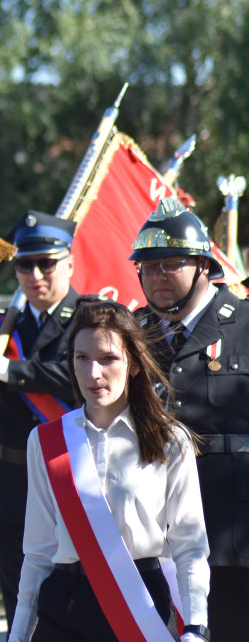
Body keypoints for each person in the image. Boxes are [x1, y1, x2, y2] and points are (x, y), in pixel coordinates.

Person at [11, 300, 210, 642]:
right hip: (63, 605)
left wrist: (195, 627)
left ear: (132, 363)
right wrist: (18, 634)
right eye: (82, 358)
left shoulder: (169, 439)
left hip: (139, 602)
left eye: (108, 359)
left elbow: (189, 545)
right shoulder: (45, 441)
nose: (93, 374)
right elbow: (38, 551)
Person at [130, 197, 249, 641]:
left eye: (171, 263)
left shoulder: (244, 324)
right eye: (148, 266)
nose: (158, 276)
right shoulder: (132, 333)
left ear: (203, 265)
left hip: (231, 535)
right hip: (153, 532)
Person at [0, 210, 84, 633]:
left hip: (73, 476)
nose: (34, 275)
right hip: (15, 480)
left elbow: (76, 379)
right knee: (17, 596)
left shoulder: (90, 317)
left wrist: (11, 373)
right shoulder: (3, 325)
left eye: (46, 263)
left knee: (72, 598)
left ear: (69, 263)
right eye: (24, 265)